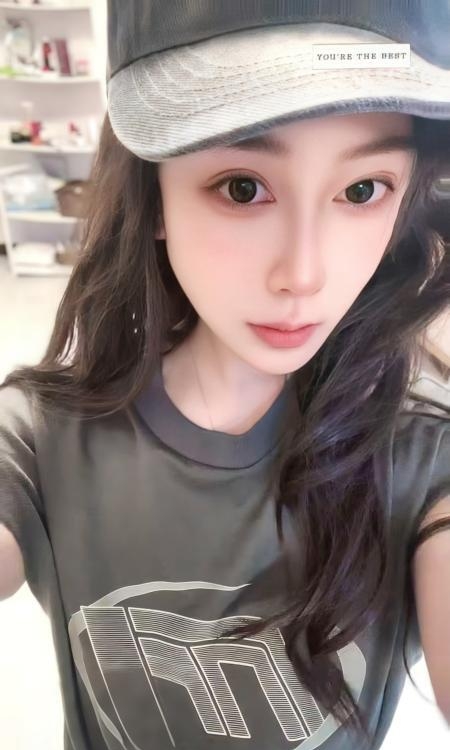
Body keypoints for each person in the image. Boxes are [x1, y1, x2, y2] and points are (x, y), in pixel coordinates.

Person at [1, 2, 450, 749]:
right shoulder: (42, 437)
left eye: (363, 189)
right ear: (153, 197)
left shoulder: (423, 451)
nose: (303, 273)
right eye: (243, 187)